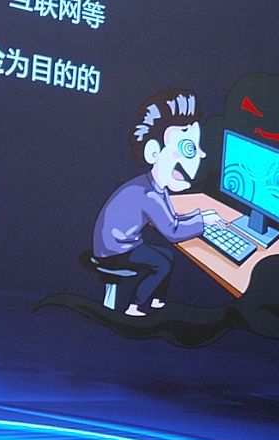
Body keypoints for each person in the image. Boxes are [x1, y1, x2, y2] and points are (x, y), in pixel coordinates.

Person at [92, 89, 223, 317]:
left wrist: (200, 217)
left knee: (168, 256)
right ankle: (135, 307)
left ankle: (156, 301)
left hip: (123, 244)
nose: (200, 155)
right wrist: (202, 222)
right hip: (114, 251)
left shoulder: (155, 187)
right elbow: (173, 231)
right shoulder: (149, 194)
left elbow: (172, 220)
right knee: (161, 264)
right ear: (154, 151)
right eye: (189, 148)